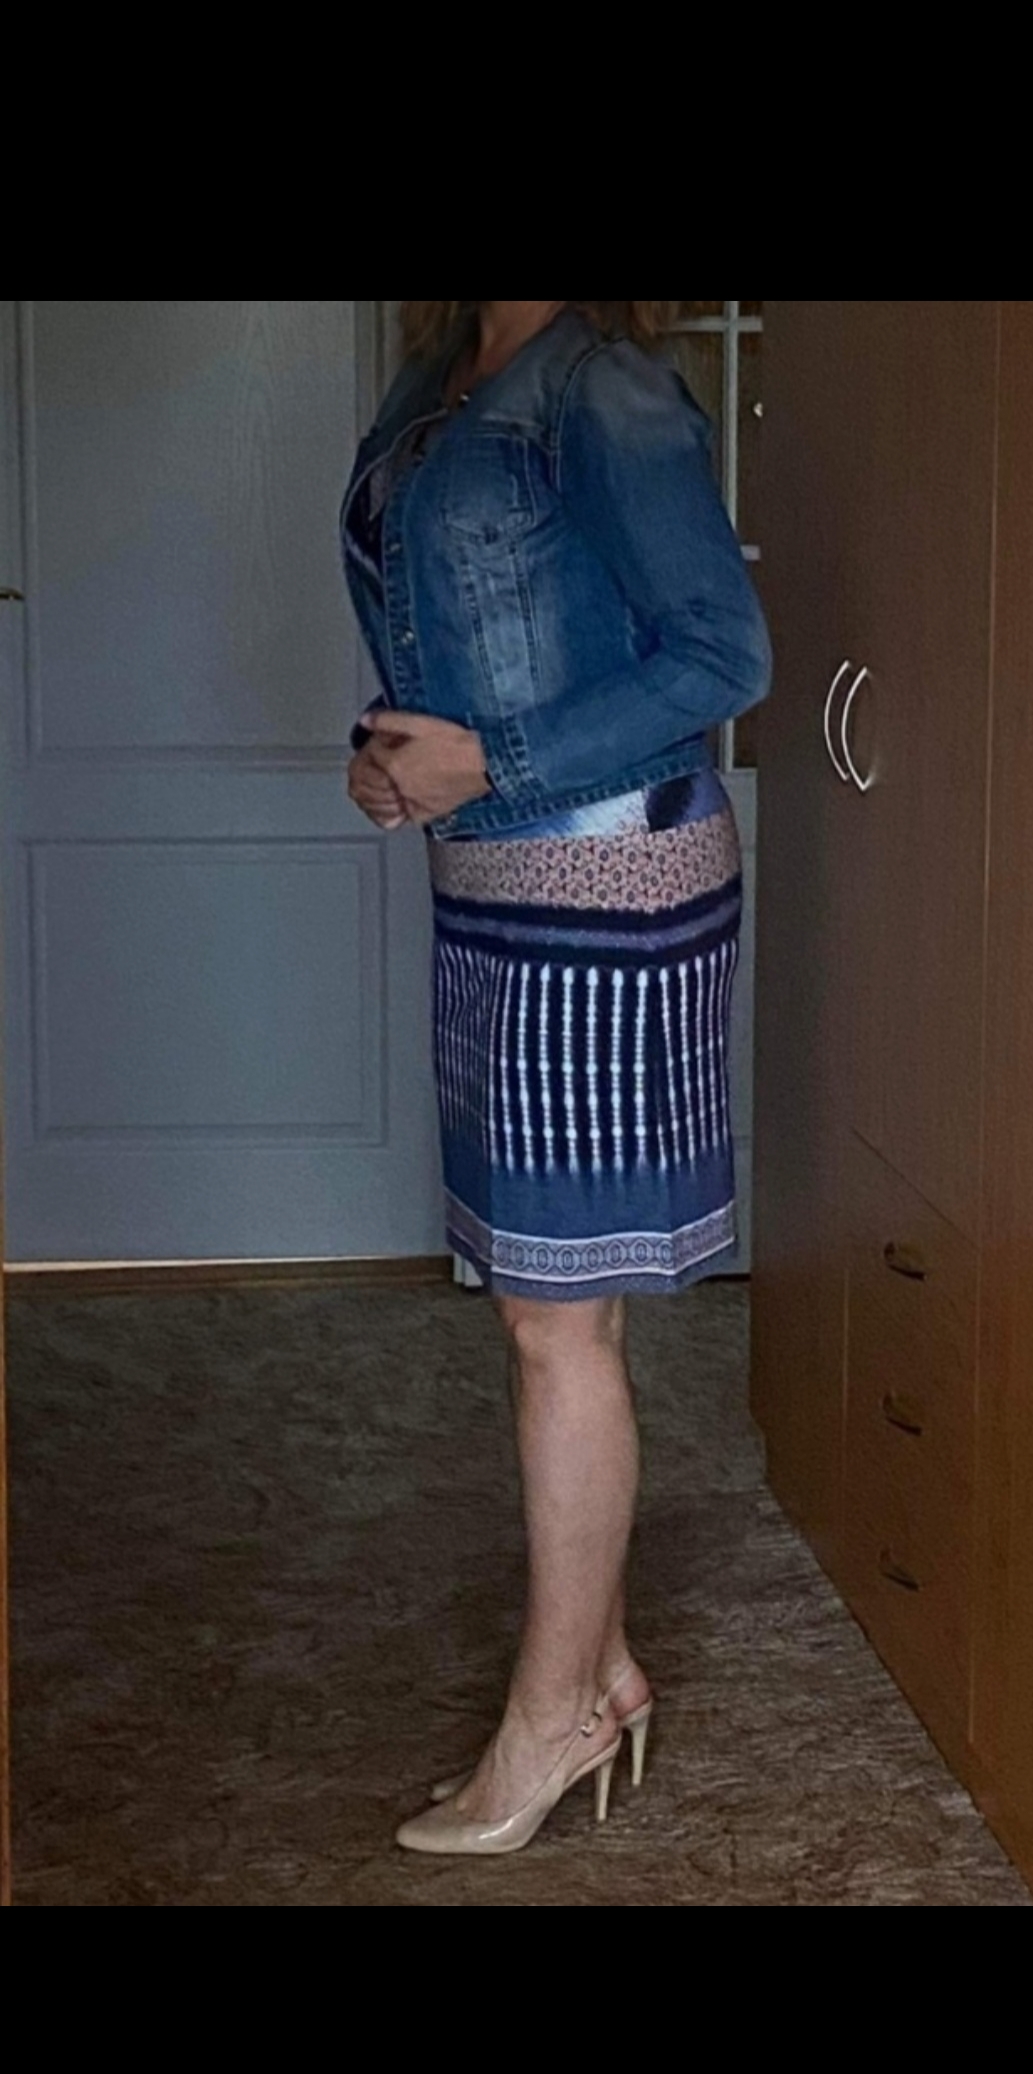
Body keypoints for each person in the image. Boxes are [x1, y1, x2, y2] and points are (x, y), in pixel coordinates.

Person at [341, 300, 770, 1855]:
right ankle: (602, 1665)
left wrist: (489, 764)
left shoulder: (604, 385)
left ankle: (559, 1715)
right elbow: (458, 623)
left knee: (552, 1316)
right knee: (545, 1302)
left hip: (607, 879)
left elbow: (724, 652)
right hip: (492, 879)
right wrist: (390, 752)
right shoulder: (439, 375)